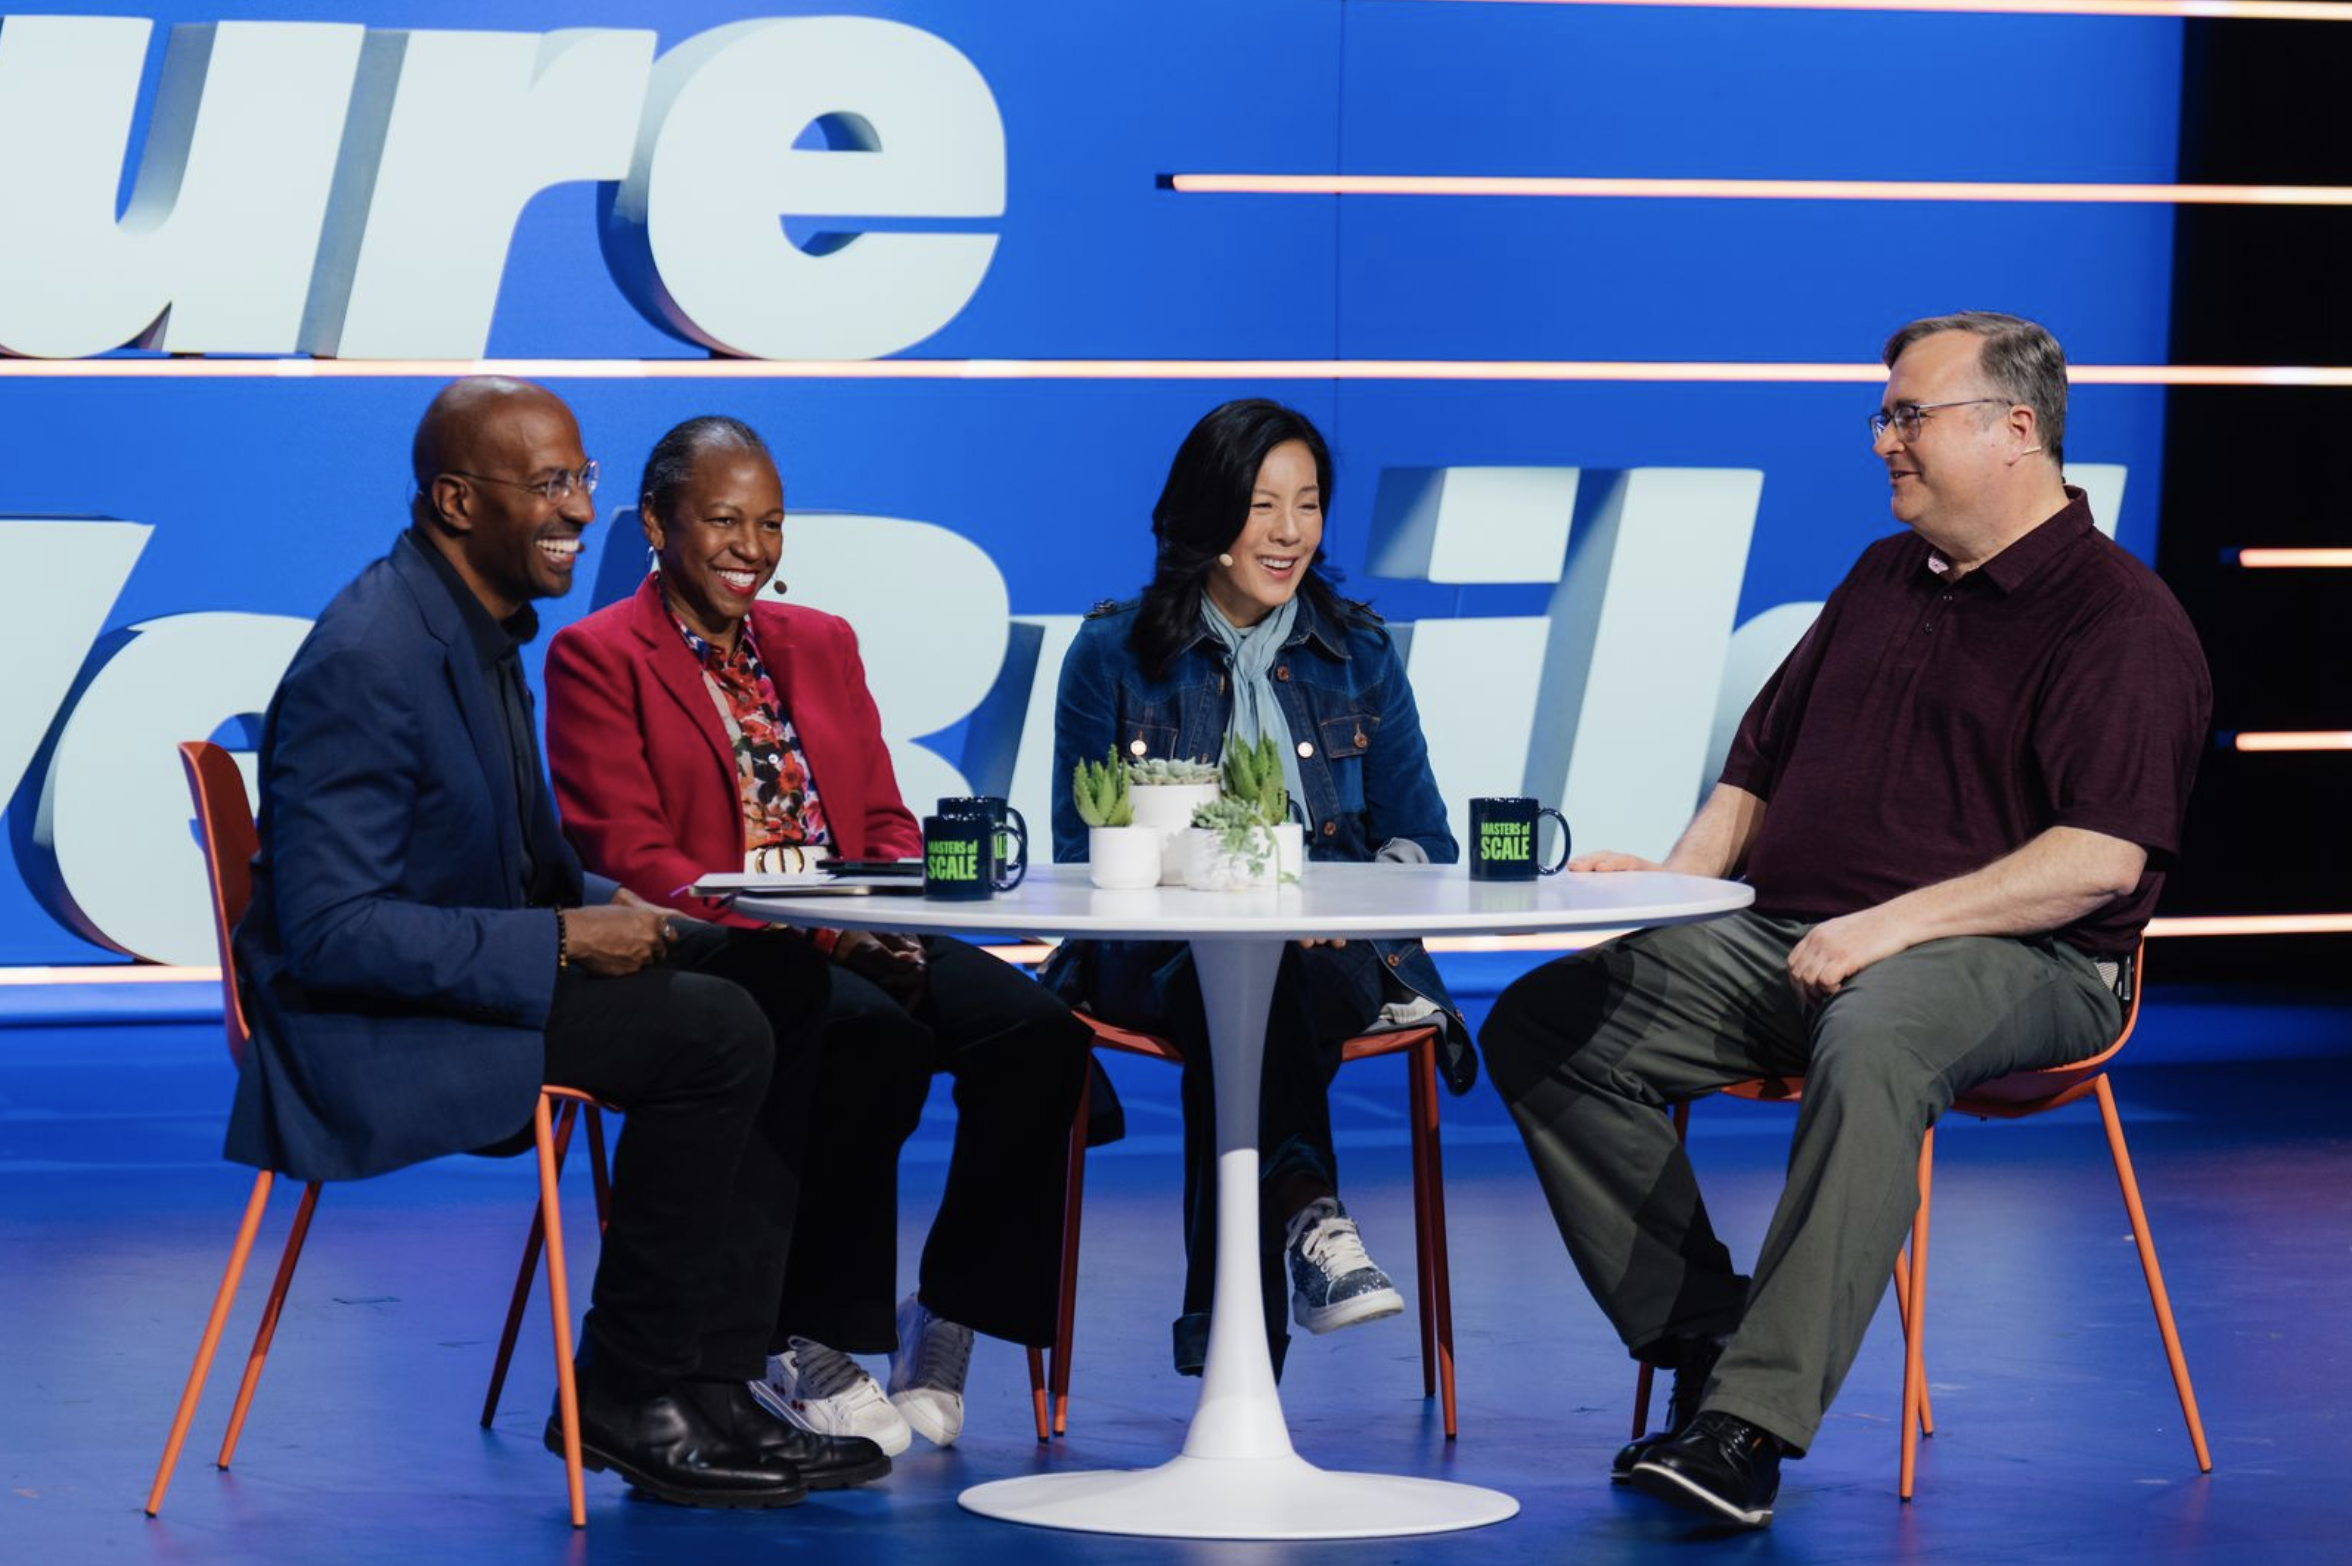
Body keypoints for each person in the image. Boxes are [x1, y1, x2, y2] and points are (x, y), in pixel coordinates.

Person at [1482, 312, 2211, 1530]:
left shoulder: (2120, 619)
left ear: (2015, 429)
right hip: (1802, 938)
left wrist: (1892, 927)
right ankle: (1707, 1335)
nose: (1884, 441)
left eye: (1910, 415)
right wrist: (1668, 892)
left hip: (2029, 961)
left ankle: (1748, 1430)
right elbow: (1753, 775)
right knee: (1554, 1019)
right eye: (1885, 416)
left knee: (1877, 1030)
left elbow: (2098, 860)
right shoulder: (1883, 577)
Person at [226, 379, 889, 1510]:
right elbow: (333, 934)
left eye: (580, 479)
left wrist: (643, 911)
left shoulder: (475, 633)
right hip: (369, 1025)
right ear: (454, 501)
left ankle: (717, 1378)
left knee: (776, 975)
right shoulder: (371, 656)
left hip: (471, 972)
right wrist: (565, 938)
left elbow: (523, 866)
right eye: (548, 485)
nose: (580, 510)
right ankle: (630, 1393)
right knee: (715, 1033)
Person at [545, 415, 1093, 1454]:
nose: (751, 547)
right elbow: (633, 856)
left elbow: (881, 818)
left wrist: (889, 919)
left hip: (861, 928)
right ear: (656, 523)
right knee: (868, 1038)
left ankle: (949, 1309)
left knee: (1039, 1035)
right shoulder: (597, 656)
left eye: (770, 523)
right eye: (723, 520)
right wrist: (830, 940)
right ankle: (807, 1334)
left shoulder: (821, 641)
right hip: (726, 948)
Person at [1044, 398, 1475, 1378]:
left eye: (1308, 504)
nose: (1289, 532)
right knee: (1232, 975)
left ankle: (1236, 1352)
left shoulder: (1359, 654)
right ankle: (1310, 1213)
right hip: (1153, 959)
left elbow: (1423, 841)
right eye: (1262, 504)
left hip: (1335, 959)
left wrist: (1337, 907)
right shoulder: (1112, 654)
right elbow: (1080, 857)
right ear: (1208, 511)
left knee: (1264, 979)